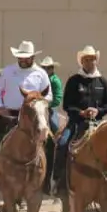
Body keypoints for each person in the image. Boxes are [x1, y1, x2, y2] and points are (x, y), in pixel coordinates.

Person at [57, 46, 107, 190]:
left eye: (92, 59)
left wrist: (97, 111)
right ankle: (60, 182)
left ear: (96, 61)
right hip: (76, 122)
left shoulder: (103, 82)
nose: (90, 62)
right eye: (86, 59)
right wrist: (80, 112)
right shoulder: (73, 81)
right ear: (81, 62)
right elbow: (67, 105)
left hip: (98, 123)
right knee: (62, 144)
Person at [0, 41, 52, 113]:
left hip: (34, 115)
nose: (23, 60)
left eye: (27, 58)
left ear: (33, 57)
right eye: (20, 57)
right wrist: (0, 107)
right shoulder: (7, 71)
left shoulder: (41, 73)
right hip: (9, 115)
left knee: (53, 124)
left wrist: (40, 104)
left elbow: (48, 95)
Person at [38, 56, 64, 194]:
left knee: (56, 133)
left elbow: (58, 98)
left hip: (49, 109)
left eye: (49, 67)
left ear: (52, 68)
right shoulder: (39, 79)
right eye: (44, 67)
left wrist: (46, 104)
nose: (47, 69)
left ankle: (56, 146)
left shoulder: (55, 81)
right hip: (38, 107)